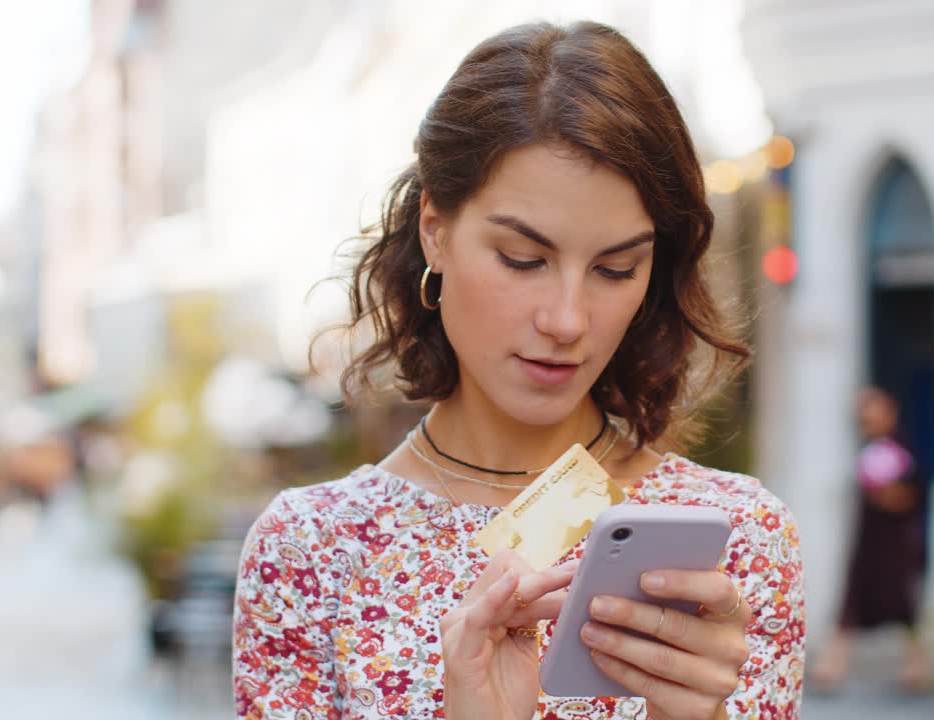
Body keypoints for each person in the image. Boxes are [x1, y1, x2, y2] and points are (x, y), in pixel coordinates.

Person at [233, 21, 805, 720]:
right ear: (435, 232)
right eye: (524, 260)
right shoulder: (314, 552)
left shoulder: (734, 541)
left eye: (615, 268)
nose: (567, 320)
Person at [810, 386, 930, 693]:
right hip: (868, 540)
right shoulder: (870, 447)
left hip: (893, 543)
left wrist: (882, 492)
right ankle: (832, 666)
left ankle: (917, 667)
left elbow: (909, 497)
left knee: (903, 606)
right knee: (851, 604)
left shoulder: (901, 450)